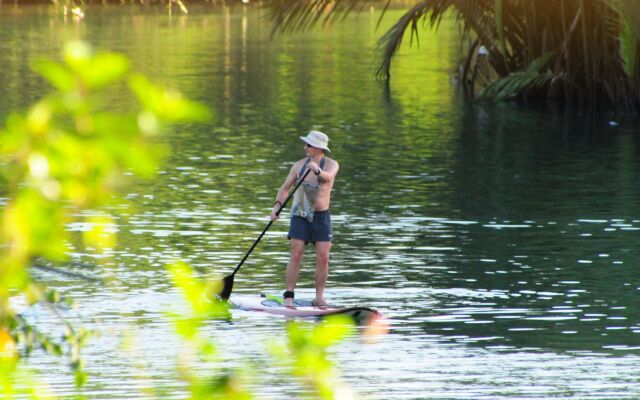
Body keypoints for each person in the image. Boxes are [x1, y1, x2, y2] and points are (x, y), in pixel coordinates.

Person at [271, 130, 339, 306]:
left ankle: (319, 298)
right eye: (306, 144)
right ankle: (289, 296)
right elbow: (285, 188)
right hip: (300, 215)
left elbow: (327, 177)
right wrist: (277, 206)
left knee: (323, 257)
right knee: (296, 254)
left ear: (318, 148)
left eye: (308, 145)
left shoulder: (331, 164)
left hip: (321, 216)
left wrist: (317, 170)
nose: (305, 147)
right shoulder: (299, 165)